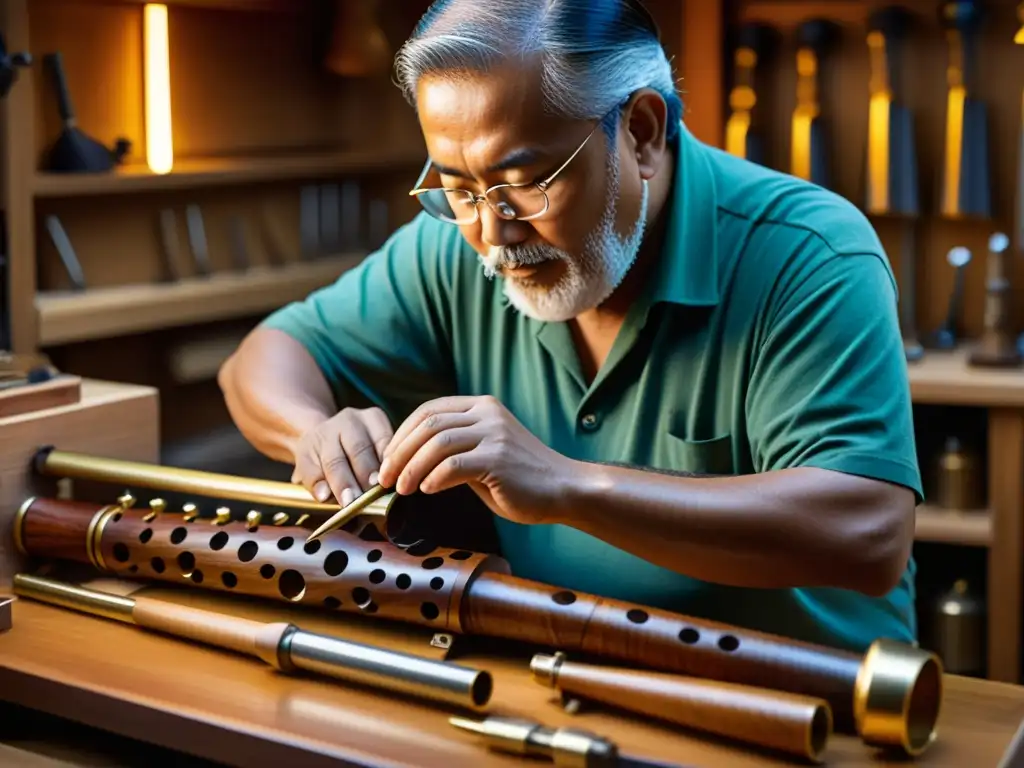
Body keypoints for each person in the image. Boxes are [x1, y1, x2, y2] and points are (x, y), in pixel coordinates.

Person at [218, 0, 922, 652]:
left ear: (642, 132)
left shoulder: (809, 253)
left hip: (815, 702)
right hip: (571, 676)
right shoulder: (456, 243)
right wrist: (312, 431)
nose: (493, 233)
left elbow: (867, 531)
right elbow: (265, 356)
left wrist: (563, 484)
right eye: (458, 189)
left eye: (526, 180)